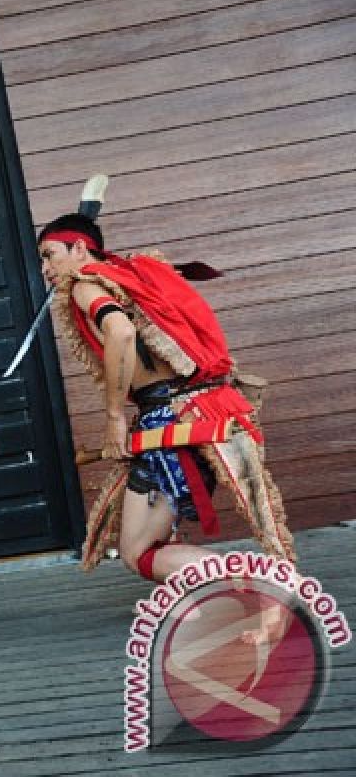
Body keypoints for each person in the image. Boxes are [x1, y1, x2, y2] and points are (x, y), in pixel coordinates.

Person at [36, 210, 295, 599]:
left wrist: (112, 417)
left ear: (78, 249)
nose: (45, 268)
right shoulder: (126, 277)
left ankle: (269, 586)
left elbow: (120, 331)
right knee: (137, 550)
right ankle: (239, 592)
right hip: (184, 414)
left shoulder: (84, 284)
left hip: (171, 421)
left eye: (49, 255)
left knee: (138, 550)